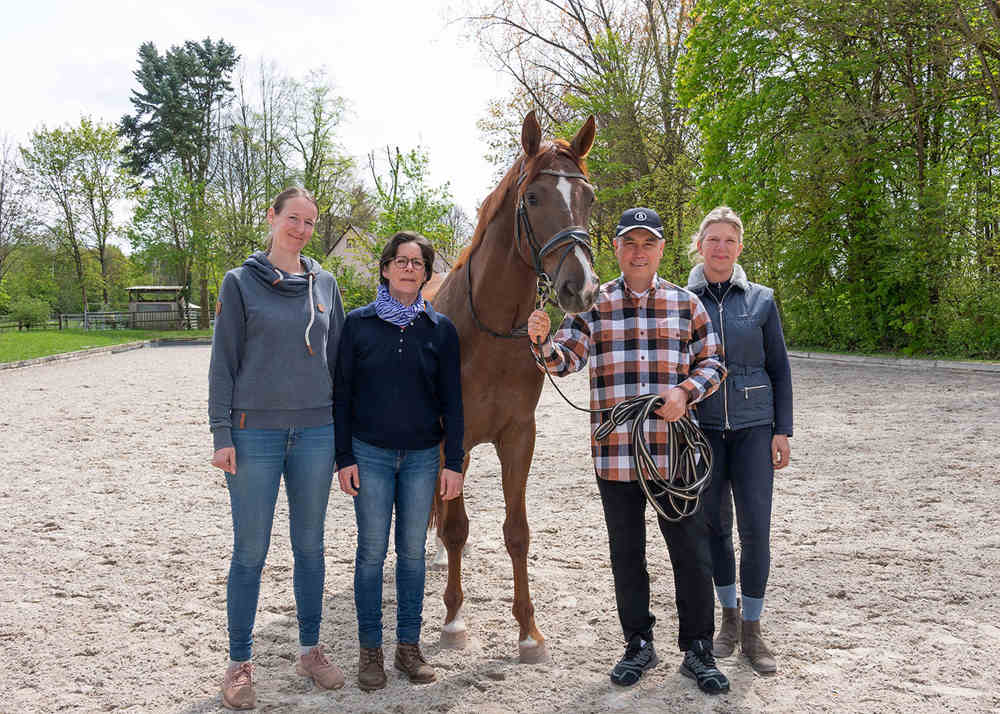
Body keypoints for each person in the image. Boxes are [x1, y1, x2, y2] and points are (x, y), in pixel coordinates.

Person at [527, 207, 731, 695]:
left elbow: (714, 362)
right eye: (630, 243)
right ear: (616, 248)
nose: (639, 252)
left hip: (673, 456)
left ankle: (698, 649)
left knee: (691, 553)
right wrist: (542, 342)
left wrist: (684, 392)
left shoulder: (687, 304)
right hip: (616, 456)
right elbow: (565, 360)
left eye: (648, 243)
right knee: (627, 554)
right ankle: (638, 643)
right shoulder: (591, 306)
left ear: (661, 249)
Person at [208, 187, 346, 710]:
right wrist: (221, 433)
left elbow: (339, 363)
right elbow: (223, 362)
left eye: (310, 222)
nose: (301, 229)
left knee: (310, 547)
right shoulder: (239, 283)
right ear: (271, 217)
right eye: (293, 218)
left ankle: (310, 650)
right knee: (250, 550)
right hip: (254, 435)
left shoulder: (325, 284)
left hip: (316, 434)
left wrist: (344, 438)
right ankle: (239, 663)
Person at [334, 231, 465, 691]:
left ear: (426, 273)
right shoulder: (358, 324)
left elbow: (454, 402)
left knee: (412, 555)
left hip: (422, 458)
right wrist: (344, 457)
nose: (410, 268)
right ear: (386, 268)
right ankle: (370, 650)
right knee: (371, 553)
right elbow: (342, 395)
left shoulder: (440, 330)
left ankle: (408, 647)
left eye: (418, 262)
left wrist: (454, 462)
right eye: (402, 260)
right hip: (368, 454)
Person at [685, 206, 793, 674]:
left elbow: (780, 368)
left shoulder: (762, 300)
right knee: (715, 529)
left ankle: (752, 628)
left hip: (754, 429)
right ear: (699, 246)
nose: (721, 248)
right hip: (705, 430)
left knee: (755, 530)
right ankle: (727, 621)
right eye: (713, 240)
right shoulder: (681, 301)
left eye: (730, 240)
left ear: (740, 248)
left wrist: (783, 429)